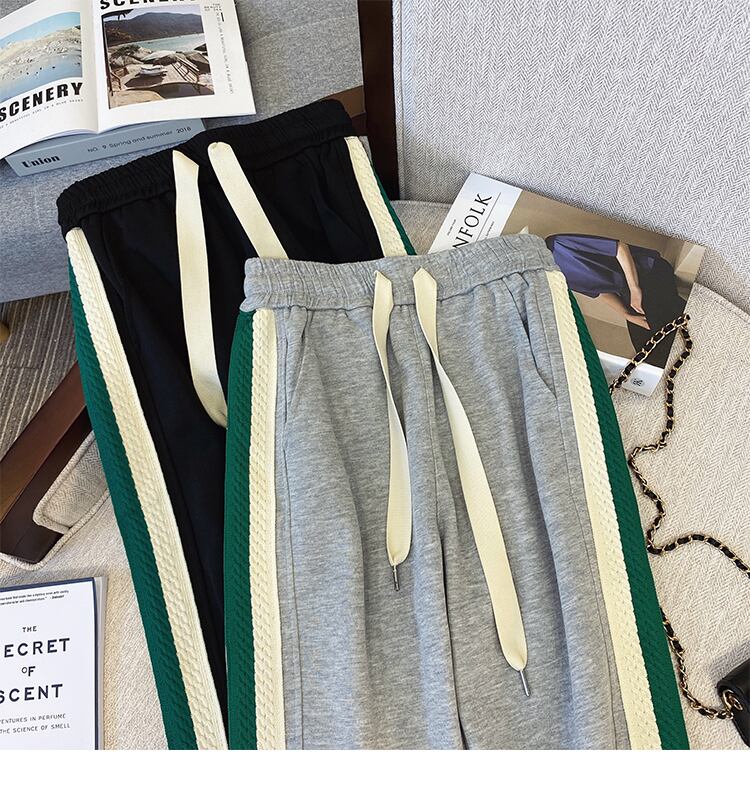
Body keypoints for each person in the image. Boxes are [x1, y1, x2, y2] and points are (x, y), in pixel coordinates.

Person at [545, 233, 686, 367]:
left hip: (648, 271)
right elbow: (601, 291)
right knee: (644, 345)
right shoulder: (554, 274)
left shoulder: (557, 243)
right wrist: (627, 315)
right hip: (627, 293)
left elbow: (620, 248)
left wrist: (634, 288)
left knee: (658, 323)